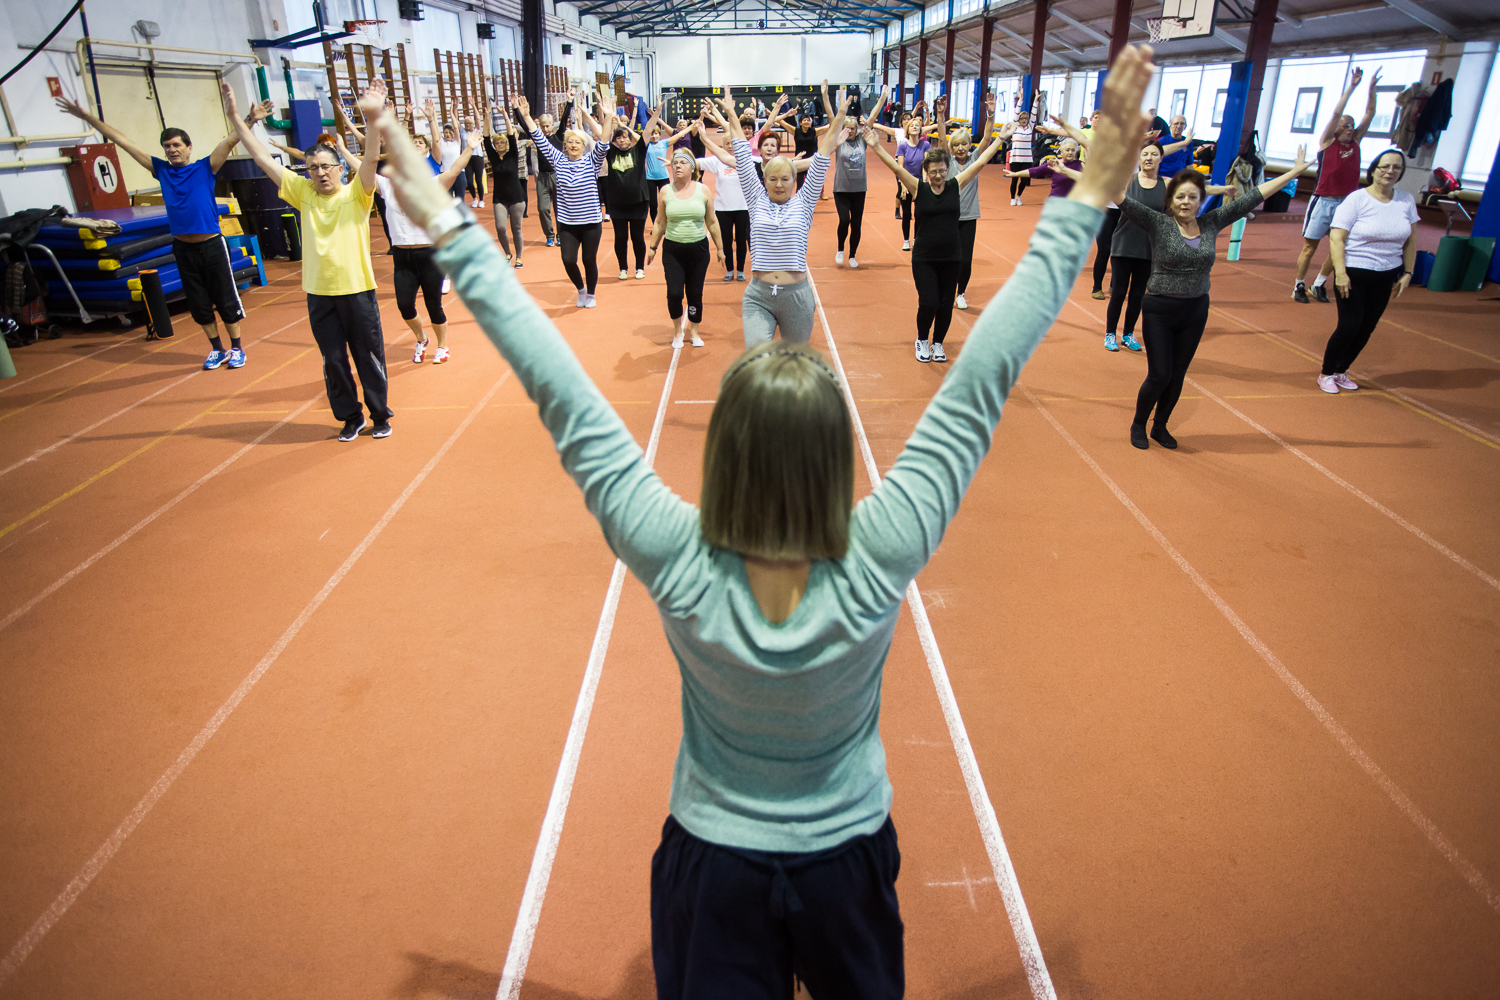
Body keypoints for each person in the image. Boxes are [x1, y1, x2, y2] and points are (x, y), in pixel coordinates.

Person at [372, 42, 1156, 997]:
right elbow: (986, 371)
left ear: (725, 452)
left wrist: (446, 223)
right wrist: (1087, 199)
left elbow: (558, 384)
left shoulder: (675, 553)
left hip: (715, 859)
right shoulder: (883, 548)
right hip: (846, 856)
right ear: (837, 455)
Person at [224, 80, 393, 442]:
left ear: (340, 169)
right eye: (312, 167)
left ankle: (379, 415)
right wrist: (238, 120)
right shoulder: (303, 194)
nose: (319, 173)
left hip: (358, 290)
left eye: (326, 166)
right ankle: (351, 418)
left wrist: (375, 115)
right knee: (333, 361)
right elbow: (261, 158)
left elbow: (371, 157)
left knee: (368, 357)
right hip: (319, 294)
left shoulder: (357, 194)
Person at [56, 93, 274, 370]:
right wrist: (87, 117)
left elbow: (231, 140)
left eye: (176, 145)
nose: (171, 149)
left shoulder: (205, 167)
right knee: (198, 302)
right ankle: (217, 350)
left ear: (188, 147)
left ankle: (237, 348)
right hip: (183, 248)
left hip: (211, 245)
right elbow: (124, 142)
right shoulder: (161, 171)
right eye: (166, 146)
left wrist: (250, 120)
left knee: (225, 298)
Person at [1118, 145, 1312, 449]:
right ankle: (1139, 424)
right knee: (1159, 374)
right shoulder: (1158, 223)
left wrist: (1294, 172)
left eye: (1192, 197)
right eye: (1180, 196)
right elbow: (1120, 198)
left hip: (1195, 310)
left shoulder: (1211, 223)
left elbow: (1254, 196)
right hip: (1159, 308)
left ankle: (1161, 426)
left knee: (1178, 375)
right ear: (1171, 200)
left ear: (1200, 200)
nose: (1186, 202)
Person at [865, 88, 1008, 363]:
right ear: (926, 173)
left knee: (945, 304)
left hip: (951, 255)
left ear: (947, 170)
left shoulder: (955, 184)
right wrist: (877, 146)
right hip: (925, 257)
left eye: (943, 171)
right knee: (929, 301)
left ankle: (938, 343)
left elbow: (981, 162)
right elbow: (896, 170)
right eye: (934, 172)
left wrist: (1000, 137)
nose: (939, 175)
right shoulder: (919, 188)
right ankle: (922, 339)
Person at [703, 87, 850, 347]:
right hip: (759, 296)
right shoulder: (756, 198)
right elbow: (741, 151)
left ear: (795, 181)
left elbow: (822, 157)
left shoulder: (804, 203)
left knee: (792, 365)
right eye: (773, 179)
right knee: (758, 359)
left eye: (785, 179)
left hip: (797, 297)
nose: (779, 184)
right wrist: (731, 115)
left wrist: (838, 117)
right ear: (765, 180)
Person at [351, 127, 477, 365]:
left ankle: (443, 346)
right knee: (404, 305)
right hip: (402, 256)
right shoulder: (387, 186)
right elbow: (362, 168)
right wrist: (341, 151)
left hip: (429, 253)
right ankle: (421, 338)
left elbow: (455, 170)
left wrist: (469, 147)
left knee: (434, 305)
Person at [1318, 149, 1418, 394]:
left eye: (1396, 167)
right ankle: (1326, 373)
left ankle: (1341, 370)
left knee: (1367, 326)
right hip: (1354, 274)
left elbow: (1412, 241)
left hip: (1386, 274)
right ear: (1373, 170)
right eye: (1385, 166)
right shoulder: (1356, 200)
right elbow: (1337, 238)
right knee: (1349, 325)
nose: (1390, 171)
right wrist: (1340, 273)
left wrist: (1408, 272)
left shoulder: (1406, 201)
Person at [1295, 67, 1382, 303]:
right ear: (1335, 129)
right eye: (1345, 125)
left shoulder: (1356, 142)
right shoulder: (1326, 143)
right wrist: (1352, 87)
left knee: (1339, 248)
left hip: (1347, 203)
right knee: (1309, 247)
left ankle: (1319, 284)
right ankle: (1299, 285)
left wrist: (1371, 88)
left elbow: (1371, 112)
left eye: (1352, 125)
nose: (1350, 128)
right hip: (1323, 200)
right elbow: (1336, 112)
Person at [517, 93, 608, 308]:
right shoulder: (558, 159)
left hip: (591, 222)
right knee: (568, 259)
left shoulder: (591, 161)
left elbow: (604, 142)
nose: (573, 145)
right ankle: (580, 289)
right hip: (568, 222)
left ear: (584, 145)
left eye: (577, 142)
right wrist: (527, 116)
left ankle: (592, 294)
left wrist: (609, 117)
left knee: (588, 260)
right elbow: (539, 138)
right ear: (565, 146)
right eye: (570, 142)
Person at [647, 148, 725, 349]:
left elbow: (713, 222)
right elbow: (659, 222)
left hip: (698, 250)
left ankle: (695, 332)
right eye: (675, 163)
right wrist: (652, 247)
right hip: (673, 250)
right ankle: (677, 331)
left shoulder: (703, 190)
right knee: (674, 293)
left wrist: (720, 248)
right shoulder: (665, 191)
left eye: (682, 163)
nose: (677, 166)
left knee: (694, 293)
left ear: (692, 168)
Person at [939, 91, 999, 310]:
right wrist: (939, 115)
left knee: (965, 259)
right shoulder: (948, 161)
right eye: (957, 145)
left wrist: (990, 115)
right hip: (949, 215)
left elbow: (986, 139)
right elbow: (942, 139)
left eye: (964, 144)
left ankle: (961, 292)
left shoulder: (975, 160)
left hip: (969, 217)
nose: (961, 148)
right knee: (947, 257)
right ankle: (945, 287)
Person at [1104, 141, 1165, 353]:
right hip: (1123, 244)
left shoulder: (1166, 186)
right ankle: (1110, 333)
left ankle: (1128, 334)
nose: (1149, 157)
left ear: (1161, 158)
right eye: (1145, 153)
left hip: (1148, 248)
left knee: (1138, 294)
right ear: (1139, 159)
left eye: (1154, 154)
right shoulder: (1128, 181)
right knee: (1119, 292)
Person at [602, 86, 652, 281]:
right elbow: (602, 134)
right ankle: (623, 268)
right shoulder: (611, 152)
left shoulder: (638, 150)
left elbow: (647, 131)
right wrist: (608, 116)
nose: (622, 139)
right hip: (617, 204)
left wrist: (630, 127)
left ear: (630, 139)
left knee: (637, 238)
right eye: (619, 137)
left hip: (639, 201)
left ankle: (639, 267)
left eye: (625, 137)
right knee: (621, 238)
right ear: (615, 140)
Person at [695, 124, 752, 283]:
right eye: (727, 144)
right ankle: (729, 270)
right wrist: (677, 160)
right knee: (725, 241)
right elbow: (697, 162)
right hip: (722, 208)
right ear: (723, 146)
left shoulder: (747, 161)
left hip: (743, 208)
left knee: (741, 241)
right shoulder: (717, 161)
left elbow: (767, 162)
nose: (731, 147)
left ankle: (740, 270)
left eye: (733, 144)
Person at [484, 118, 527, 268]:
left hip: (516, 197)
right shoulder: (493, 157)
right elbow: (485, 139)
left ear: (507, 144)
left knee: (516, 228)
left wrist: (505, 117)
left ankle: (519, 257)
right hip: (499, 198)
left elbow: (510, 135)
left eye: (502, 143)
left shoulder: (512, 154)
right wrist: (487, 116)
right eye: (497, 143)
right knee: (500, 227)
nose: (500, 145)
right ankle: (508, 253)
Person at [1006, 110, 1036, 205]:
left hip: (1027, 159)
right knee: (1014, 179)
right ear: (1019, 119)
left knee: (1024, 180)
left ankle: (1019, 196)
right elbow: (1015, 114)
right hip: (1015, 158)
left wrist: (1035, 100)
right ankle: (1012, 198)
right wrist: (1020, 100)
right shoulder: (1015, 127)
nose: (1024, 120)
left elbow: (1034, 115)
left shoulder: (1030, 127)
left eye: (1026, 118)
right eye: (1022, 118)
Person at [462, 115, 486, 208]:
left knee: (478, 180)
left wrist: (474, 106)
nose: (468, 125)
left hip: (478, 157)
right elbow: (455, 122)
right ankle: (474, 199)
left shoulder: (477, 130)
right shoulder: (462, 132)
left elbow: (478, 119)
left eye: (470, 123)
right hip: (467, 158)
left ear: (473, 124)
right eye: (466, 123)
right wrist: (454, 108)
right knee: (469, 181)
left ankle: (481, 200)